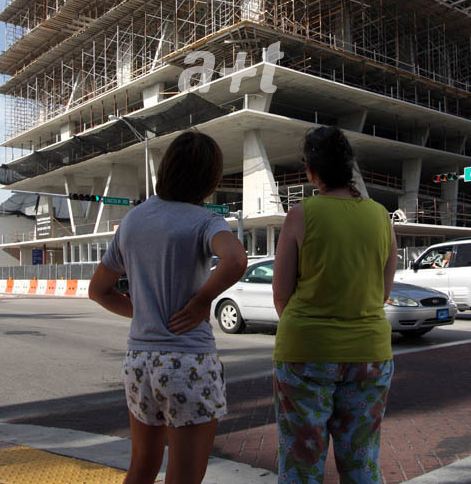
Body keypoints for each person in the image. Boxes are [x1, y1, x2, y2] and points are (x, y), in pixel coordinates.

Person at [89, 130, 247, 484]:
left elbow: (99, 290)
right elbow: (235, 259)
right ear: (210, 178)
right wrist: (201, 301)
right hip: (187, 360)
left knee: (141, 468)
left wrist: (144, 312)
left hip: (139, 362)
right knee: (184, 477)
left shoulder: (131, 221)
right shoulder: (205, 221)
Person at [272, 126, 397, 484]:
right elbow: (382, 291)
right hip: (369, 353)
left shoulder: (300, 215)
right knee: (361, 464)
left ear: (311, 171)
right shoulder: (381, 217)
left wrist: (310, 332)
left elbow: (281, 295)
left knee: (301, 464)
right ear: (349, 167)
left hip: (305, 353)